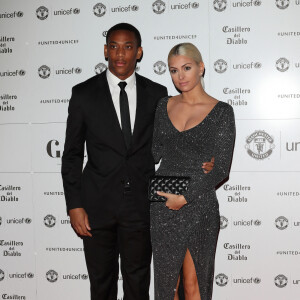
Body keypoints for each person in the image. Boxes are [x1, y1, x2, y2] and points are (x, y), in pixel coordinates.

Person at [61, 23, 168, 300]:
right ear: (106, 50)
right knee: (101, 284)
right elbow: (72, 154)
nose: (120, 53)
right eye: (114, 46)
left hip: (141, 207)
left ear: (139, 52)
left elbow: (169, 145)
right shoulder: (83, 94)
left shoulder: (157, 94)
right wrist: (74, 204)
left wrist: (201, 157)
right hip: (96, 206)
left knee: (138, 283)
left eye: (128, 46)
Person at [150, 43, 235, 300]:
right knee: (167, 287)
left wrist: (185, 199)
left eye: (187, 68)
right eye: (174, 71)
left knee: (193, 282)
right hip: (163, 204)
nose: (181, 76)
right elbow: (153, 153)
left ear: (201, 67)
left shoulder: (221, 112)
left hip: (198, 204)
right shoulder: (163, 105)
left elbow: (220, 168)